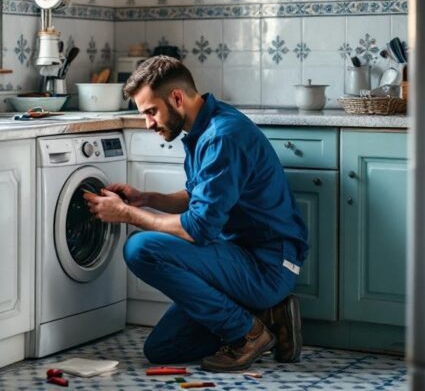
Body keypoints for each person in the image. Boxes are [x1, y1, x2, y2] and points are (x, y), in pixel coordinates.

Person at [83, 56, 308, 372]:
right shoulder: (205, 126)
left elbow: (197, 229)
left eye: (151, 111)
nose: (148, 123)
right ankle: (269, 316)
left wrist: (126, 215)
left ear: (176, 98)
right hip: (238, 257)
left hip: (268, 265)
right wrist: (145, 198)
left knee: (140, 248)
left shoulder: (222, 135)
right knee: (163, 348)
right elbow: (199, 197)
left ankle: (247, 334)